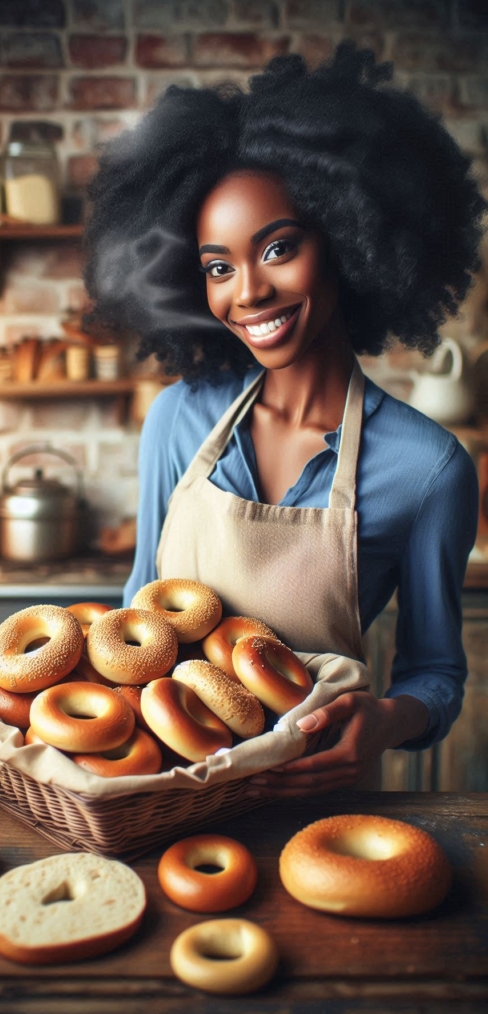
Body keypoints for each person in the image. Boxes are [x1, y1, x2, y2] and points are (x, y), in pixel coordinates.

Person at [84, 41, 486, 796]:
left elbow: (434, 672)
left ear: (348, 238)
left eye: (278, 248)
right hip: (164, 801)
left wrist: (389, 720)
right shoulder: (176, 421)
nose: (248, 293)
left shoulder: (428, 469)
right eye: (217, 266)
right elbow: (134, 619)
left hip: (317, 805)